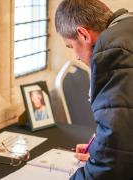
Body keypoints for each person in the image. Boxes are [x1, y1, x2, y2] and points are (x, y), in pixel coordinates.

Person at [55, 0, 133, 179]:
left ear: (83, 34)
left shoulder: (112, 50)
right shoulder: (127, 28)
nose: (75, 56)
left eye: (71, 46)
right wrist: (100, 146)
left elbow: (115, 157)